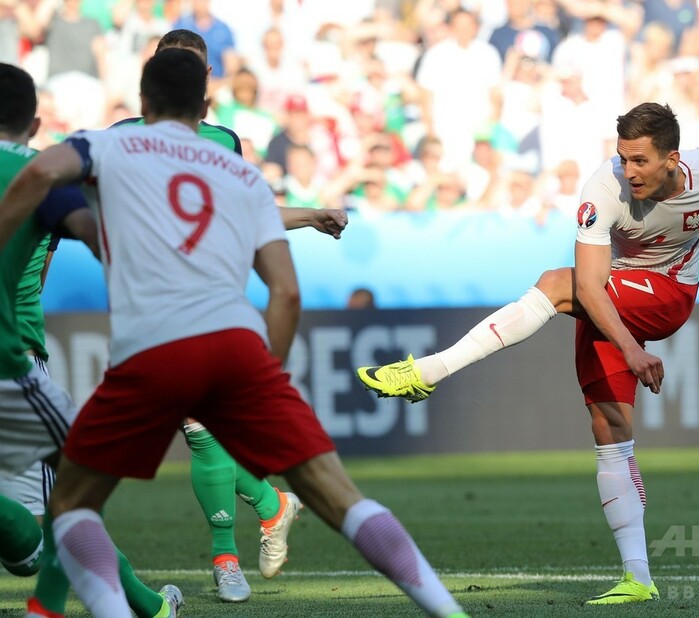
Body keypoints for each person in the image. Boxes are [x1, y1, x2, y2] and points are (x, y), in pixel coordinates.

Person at [0, 48, 469, 618]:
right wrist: (267, 376)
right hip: (236, 346)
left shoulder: (109, 146)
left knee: (72, 505)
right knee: (341, 498)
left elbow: (39, 172)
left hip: (152, 349)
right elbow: (286, 292)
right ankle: (447, 610)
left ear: (142, 102)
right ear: (205, 107)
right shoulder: (239, 173)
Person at [357, 102, 699, 604]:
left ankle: (430, 370)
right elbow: (590, 287)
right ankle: (638, 579)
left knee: (553, 283)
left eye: (640, 161)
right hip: (610, 299)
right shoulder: (603, 189)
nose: (629, 171)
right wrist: (630, 349)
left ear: (672, 159)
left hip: (669, 295)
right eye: (623, 158)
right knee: (609, 428)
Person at [115, 28, 349, 603]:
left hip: (207, 302)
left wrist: (310, 214)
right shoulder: (121, 138)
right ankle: (271, 507)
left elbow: (249, 213)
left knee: (197, 430)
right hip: (150, 307)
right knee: (198, 428)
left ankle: (228, 556)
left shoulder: (222, 142)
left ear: (206, 80)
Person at [0, 62, 184, 618]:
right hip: (12, 359)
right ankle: (143, 607)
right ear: (35, 125)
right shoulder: (40, 173)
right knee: (73, 496)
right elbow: (99, 236)